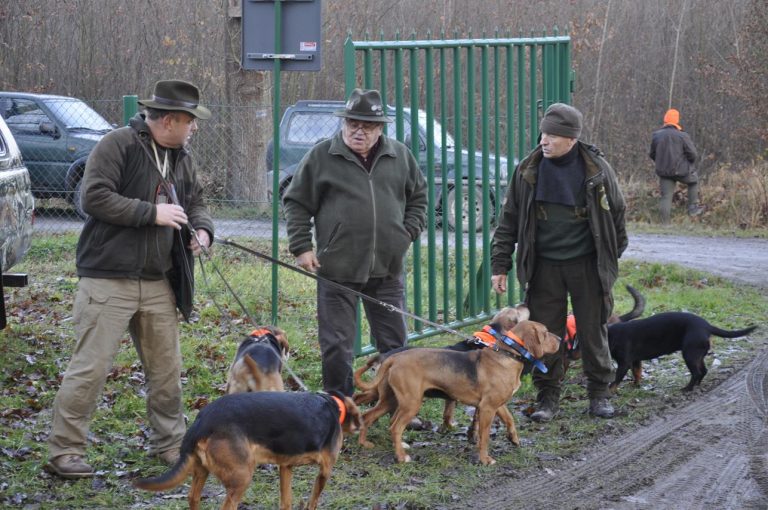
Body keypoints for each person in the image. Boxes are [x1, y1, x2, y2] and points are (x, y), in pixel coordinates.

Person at [45, 79, 214, 478]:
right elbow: (94, 197)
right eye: (191, 121)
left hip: (159, 281)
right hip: (108, 279)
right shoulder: (117, 144)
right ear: (171, 119)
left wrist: (203, 230)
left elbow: (197, 202)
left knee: (167, 369)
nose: (194, 128)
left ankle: (171, 444)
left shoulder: (181, 157)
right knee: (91, 367)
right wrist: (151, 214)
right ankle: (65, 451)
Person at [283, 88, 427, 397]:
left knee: (395, 345)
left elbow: (419, 198)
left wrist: (407, 233)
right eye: (352, 124)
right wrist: (302, 247)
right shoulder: (322, 156)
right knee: (337, 346)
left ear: (380, 128)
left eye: (367, 125)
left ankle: (397, 404)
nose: (358, 131)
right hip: (337, 268)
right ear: (344, 123)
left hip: (387, 268)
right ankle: (338, 408)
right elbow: (295, 202)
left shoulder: (399, 155)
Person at [490, 103, 627, 422]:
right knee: (544, 333)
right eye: (543, 134)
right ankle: (547, 396)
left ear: (571, 139)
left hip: (587, 267)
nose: (544, 141)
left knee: (593, 331)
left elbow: (617, 216)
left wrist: (608, 258)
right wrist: (501, 264)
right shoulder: (528, 169)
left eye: (552, 136)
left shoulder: (597, 170)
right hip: (543, 268)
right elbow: (508, 219)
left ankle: (599, 394)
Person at [649, 108, 702, 224]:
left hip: (664, 172)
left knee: (666, 197)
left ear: (665, 120)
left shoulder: (656, 135)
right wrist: (689, 163)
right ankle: (692, 208)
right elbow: (693, 154)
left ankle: (665, 224)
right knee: (693, 182)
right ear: (676, 121)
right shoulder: (683, 136)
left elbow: (652, 154)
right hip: (682, 171)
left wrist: (661, 163)